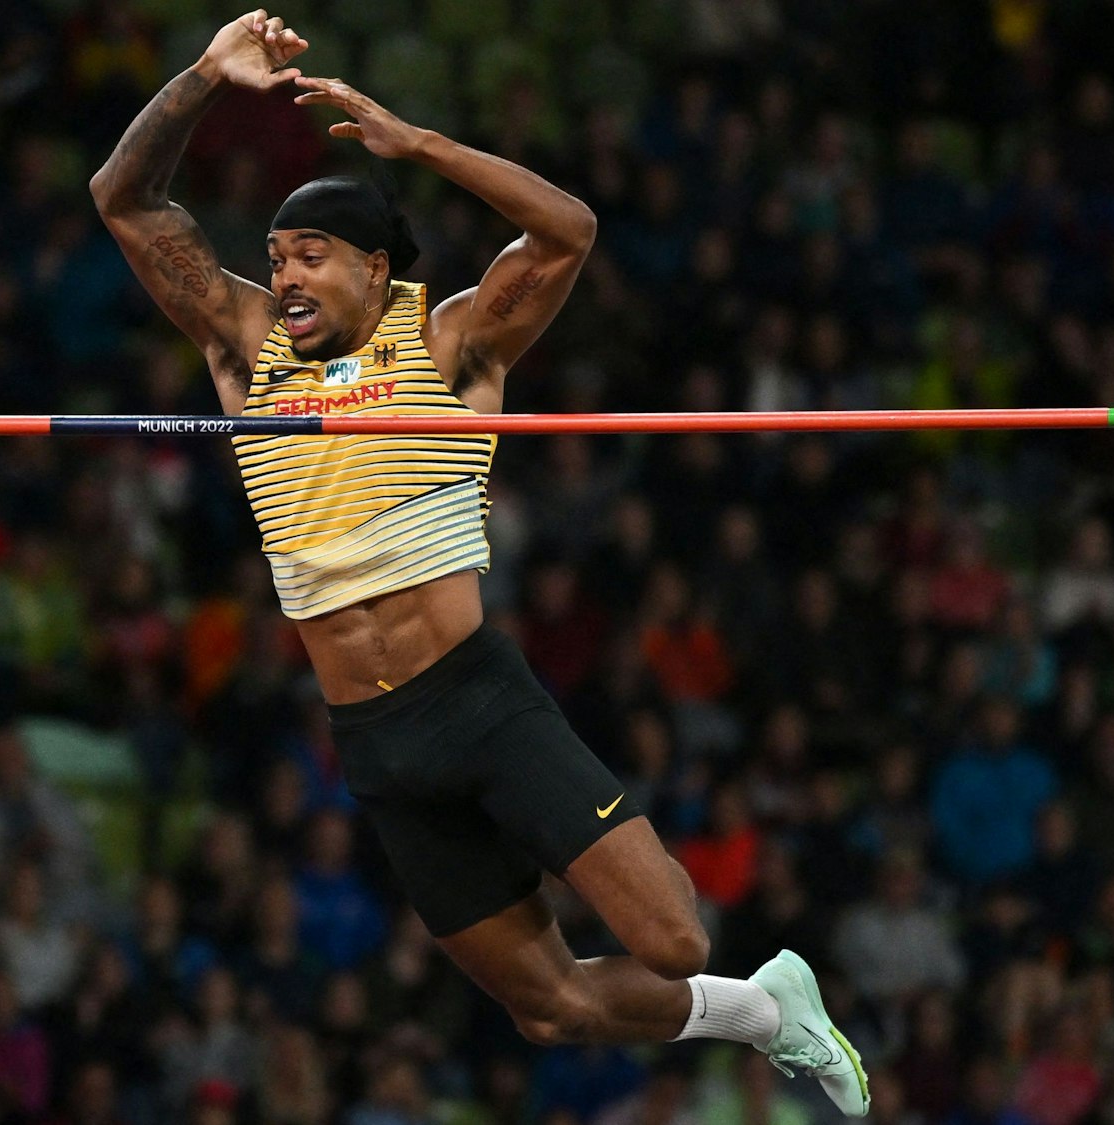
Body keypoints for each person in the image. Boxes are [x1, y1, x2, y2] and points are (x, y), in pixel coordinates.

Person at [90, 10, 867, 1115]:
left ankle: (752, 989)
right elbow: (123, 200)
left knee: (670, 936)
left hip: (476, 701)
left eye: (308, 254)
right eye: (273, 257)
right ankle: (762, 1011)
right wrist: (204, 80)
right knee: (547, 1008)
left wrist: (422, 148)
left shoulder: (450, 341)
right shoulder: (246, 343)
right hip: (371, 738)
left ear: (372, 265)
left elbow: (567, 232)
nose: (285, 275)